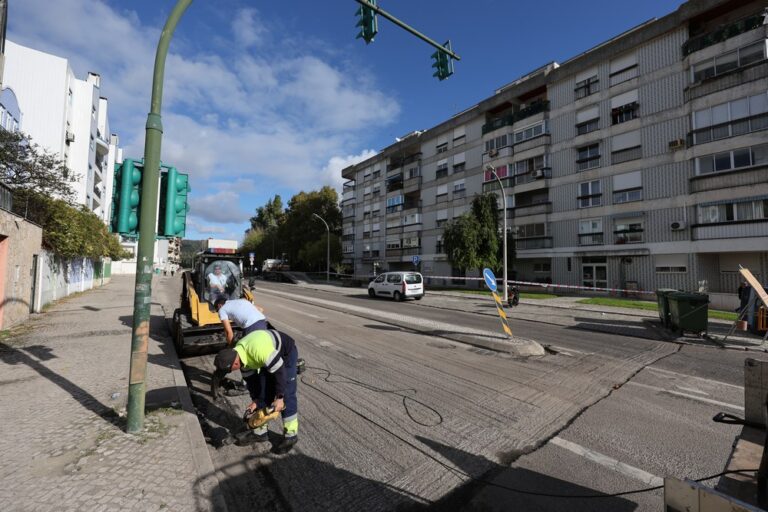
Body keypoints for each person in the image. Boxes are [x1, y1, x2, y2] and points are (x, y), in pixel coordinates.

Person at [214, 329, 300, 453]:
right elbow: (253, 383)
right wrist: (256, 401)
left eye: (231, 369)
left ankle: (291, 435)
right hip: (267, 357)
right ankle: (260, 433)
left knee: (287, 394)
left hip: (286, 354)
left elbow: (280, 371)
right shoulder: (241, 358)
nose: (232, 372)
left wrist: (280, 397)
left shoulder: (258, 351)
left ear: (236, 362)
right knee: (263, 391)